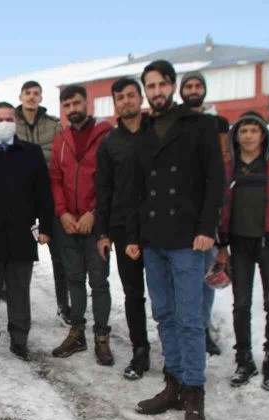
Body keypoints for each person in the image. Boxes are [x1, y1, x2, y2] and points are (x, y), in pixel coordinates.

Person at [125, 60, 224, 420]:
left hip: (188, 239)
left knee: (190, 319)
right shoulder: (144, 133)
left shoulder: (199, 125)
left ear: (173, 86)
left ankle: (194, 395)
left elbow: (215, 180)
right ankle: (174, 383)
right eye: (150, 86)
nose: (156, 92)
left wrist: (207, 228)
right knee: (164, 315)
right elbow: (136, 191)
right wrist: (134, 236)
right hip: (153, 240)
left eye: (161, 84)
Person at [216, 111, 269, 391]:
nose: (248, 136)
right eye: (243, 131)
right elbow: (220, 211)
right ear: (235, 137)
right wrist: (222, 247)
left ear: (263, 135)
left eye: (254, 130)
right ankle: (244, 360)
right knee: (241, 304)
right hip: (239, 247)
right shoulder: (228, 171)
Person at [0, 102, 53, 362]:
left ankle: (19, 340)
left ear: (16, 122)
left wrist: (46, 227)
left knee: (19, 291)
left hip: (21, 233)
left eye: (9, 119)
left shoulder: (31, 152)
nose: (4, 123)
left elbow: (44, 193)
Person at [49, 85, 114, 364]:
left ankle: (102, 337)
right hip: (68, 224)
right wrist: (63, 214)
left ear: (87, 103)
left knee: (99, 282)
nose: (72, 109)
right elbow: (55, 179)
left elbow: (110, 179)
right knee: (74, 279)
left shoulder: (105, 135)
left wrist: (94, 213)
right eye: (67, 105)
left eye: (77, 103)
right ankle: (77, 333)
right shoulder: (61, 139)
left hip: (95, 225)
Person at [94, 78, 152, 379]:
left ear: (141, 98)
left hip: (159, 226)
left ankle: (176, 355)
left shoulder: (157, 133)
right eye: (120, 97)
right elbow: (103, 190)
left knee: (165, 296)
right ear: (115, 104)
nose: (126, 101)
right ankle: (140, 350)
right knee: (133, 293)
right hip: (121, 227)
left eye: (131, 95)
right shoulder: (110, 143)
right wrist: (103, 233)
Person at [180, 70, 231, 357]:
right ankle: (183, 330)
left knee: (207, 276)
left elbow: (225, 166)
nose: (193, 90)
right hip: (181, 213)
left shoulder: (218, 124)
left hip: (210, 215)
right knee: (181, 278)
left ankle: (202, 328)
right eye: (188, 86)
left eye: (198, 85)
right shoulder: (176, 123)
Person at [16, 80, 69, 323]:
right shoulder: (11, 123)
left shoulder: (53, 125)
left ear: (41, 97)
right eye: (27, 93)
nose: (31, 97)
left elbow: (62, 159)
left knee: (59, 255)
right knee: (19, 257)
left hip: (49, 195)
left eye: (36, 93)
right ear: (20, 96)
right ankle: (18, 308)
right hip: (20, 198)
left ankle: (64, 304)